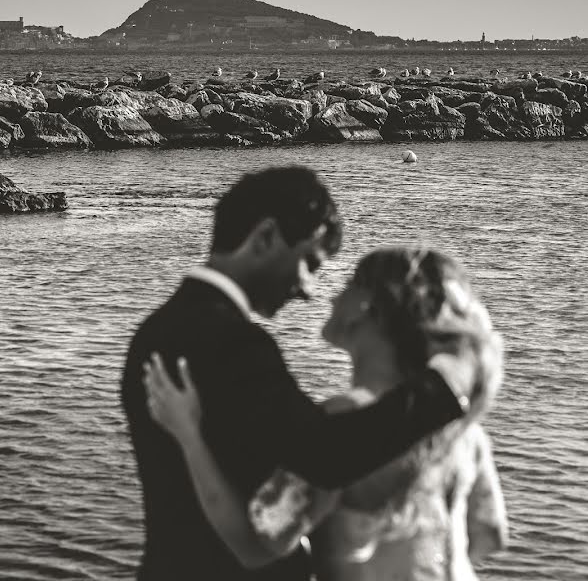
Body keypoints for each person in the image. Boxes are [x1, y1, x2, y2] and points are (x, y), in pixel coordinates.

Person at [120, 166, 474, 581]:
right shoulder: (236, 345)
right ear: (266, 237)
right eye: (309, 261)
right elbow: (324, 455)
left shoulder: (154, 332)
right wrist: (443, 383)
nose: (308, 288)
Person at [143, 247, 508, 581]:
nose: (331, 293)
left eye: (348, 284)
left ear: (366, 305)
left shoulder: (339, 426)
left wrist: (188, 434)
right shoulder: (463, 429)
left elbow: (253, 546)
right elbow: (488, 538)